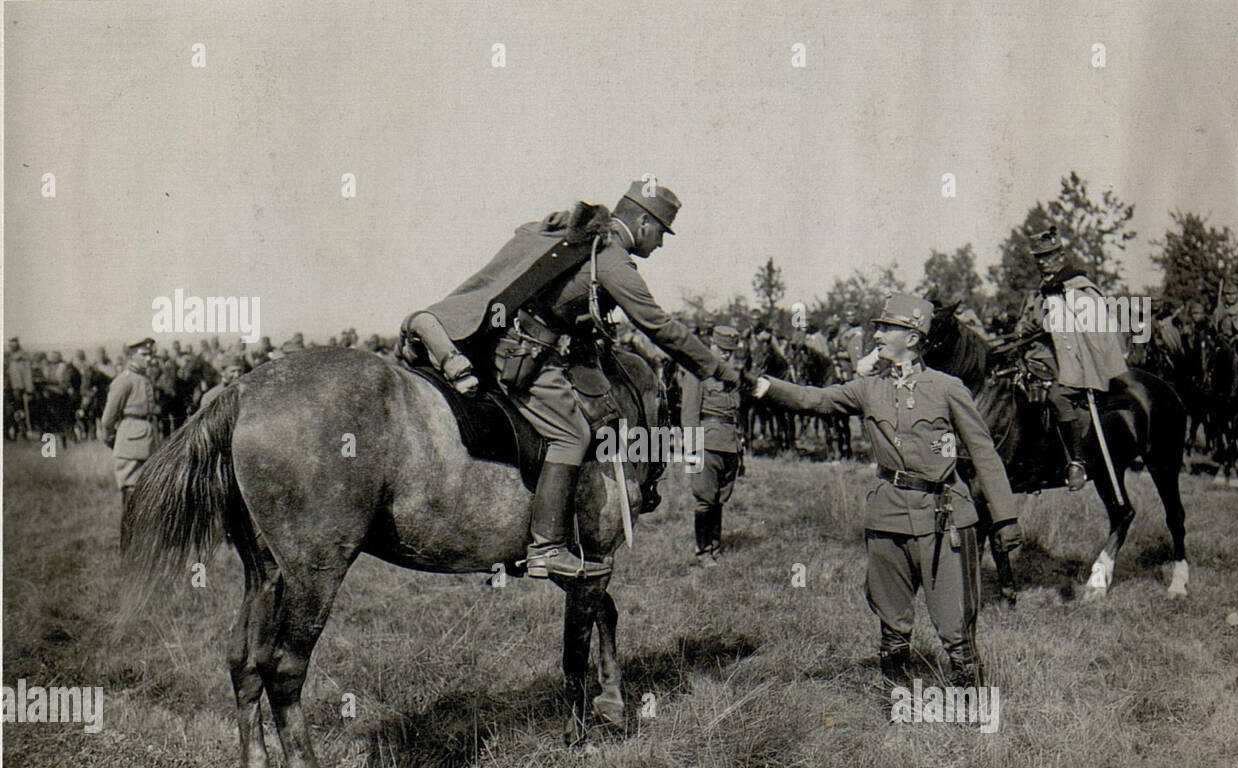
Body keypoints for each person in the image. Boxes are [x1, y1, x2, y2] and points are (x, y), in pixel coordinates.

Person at [402, 178, 739, 580]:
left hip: (494, 335)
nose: (661, 244)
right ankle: (546, 546)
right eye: (661, 234)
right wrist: (718, 368)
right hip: (523, 353)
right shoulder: (613, 261)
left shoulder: (581, 236)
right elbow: (659, 326)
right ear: (645, 224)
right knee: (572, 435)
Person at [751, 293, 1021, 687]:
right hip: (888, 516)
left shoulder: (947, 388)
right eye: (877, 327)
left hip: (943, 518)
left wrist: (1006, 517)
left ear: (912, 338)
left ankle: (968, 713)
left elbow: (984, 453)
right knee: (892, 626)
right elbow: (816, 399)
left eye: (885, 328)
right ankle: (897, 706)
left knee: (955, 626)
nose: (875, 335)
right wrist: (763, 386)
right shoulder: (868, 389)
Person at [1015, 225, 1128, 490]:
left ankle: (1076, 462)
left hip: (1074, 363)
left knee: (1057, 397)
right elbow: (1023, 322)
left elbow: (1095, 326)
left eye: (1049, 256)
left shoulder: (1078, 288)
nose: (1043, 263)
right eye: (1039, 258)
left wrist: (1047, 326)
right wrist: (1023, 328)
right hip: (1039, 362)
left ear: (1061, 256)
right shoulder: (1040, 293)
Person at [681, 325, 746, 566]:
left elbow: (736, 415)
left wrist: (741, 447)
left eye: (730, 351)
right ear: (712, 345)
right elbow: (689, 412)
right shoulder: (697, 372)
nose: (726, 355)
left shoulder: (731, 375)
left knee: (720, 498)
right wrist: (691, 449)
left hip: (729, 444)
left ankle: (715, 547)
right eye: (722, 349)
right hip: (706, 443)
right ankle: (703, 551)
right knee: (704, 499)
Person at [101, 338, 159, 547]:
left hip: (147, 441)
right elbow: (108, 418)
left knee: (147, 498)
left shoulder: (143, 379)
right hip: (131, 443)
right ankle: (128, 550)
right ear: (131, 355)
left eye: (151, 354)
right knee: (132, 499)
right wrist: (111, 439)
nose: (149, 358)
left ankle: (143, 547)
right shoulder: (124, 381)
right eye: (145, 355)